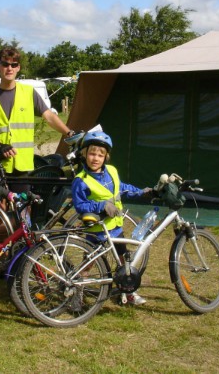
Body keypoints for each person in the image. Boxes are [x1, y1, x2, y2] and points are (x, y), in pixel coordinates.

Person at [71, 130, 152, 306]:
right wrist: (101, 206)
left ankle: (129, 292)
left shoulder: (112, 171)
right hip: (96, 230)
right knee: (88, 264)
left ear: (106, 157)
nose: (95, 158)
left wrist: (141, 192)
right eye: (92, 153)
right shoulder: (81, 180)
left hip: (116, 228)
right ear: (84, 154)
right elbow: (80, 206)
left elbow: (122, 188)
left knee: (125, 262)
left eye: (100, 155)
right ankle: (77, 293)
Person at [0, 46, 75, 184]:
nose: (9, 68)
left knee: (22, 204)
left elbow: (49, 116)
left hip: (22, 164)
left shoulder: (29, 93)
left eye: (14, 64)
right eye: (5, 64)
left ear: (18, 68)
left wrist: (69, 133)